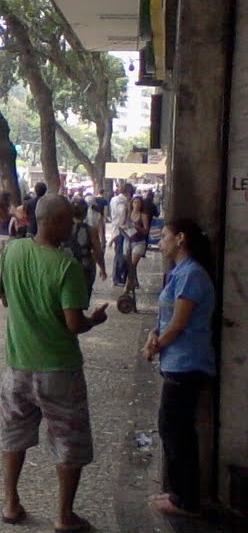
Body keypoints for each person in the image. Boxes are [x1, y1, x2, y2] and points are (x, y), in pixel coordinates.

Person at [0, 194, 109, 531]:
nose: (72, 226)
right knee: (68, 442)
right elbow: (74, 325)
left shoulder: (12, 251)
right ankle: (63, 516)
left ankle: (11, 503)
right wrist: (95, 320)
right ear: (55, 222)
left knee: (14, 436)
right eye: (68, 221)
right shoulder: (66, 267)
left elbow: (4, 298)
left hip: (17, 367)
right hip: (59, 371)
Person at [141, 219, 215, 518]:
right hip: (177, 361)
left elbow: (179, 322)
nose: (161, 242)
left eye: (166, 237)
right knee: (172, 428)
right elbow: (167, 318)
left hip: (187, 363)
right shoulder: (181, 274)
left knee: (176, 431)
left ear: (181, 239)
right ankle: (178, 492)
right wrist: (153, 335)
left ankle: (186, 499)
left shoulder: (192, 275)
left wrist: (153, 346)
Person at [65, 199, 106, 301]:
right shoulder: (91, 230)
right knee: (82, 299)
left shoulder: (62, 228)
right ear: (85, 212)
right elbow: (98, 252)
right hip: (85, 268)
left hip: (65, 267)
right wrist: (102, 268)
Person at [123, 195, 151, 296]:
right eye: (135, 202)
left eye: (139, 203)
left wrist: (137, 227)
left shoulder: (143, 216)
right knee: (129, 265)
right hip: (128, 241)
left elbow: (146, 231)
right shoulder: (128, 214)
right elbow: (122, 225)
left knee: (132, 264)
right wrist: (124, 227)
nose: (136, 204)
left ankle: (127, 286)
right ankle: (133, 281)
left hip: (139, 242)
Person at [107, 183, 133, 287]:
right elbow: (122, 213)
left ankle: (118, 277)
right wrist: (123, 225)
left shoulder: (113, 199)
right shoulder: (123, 201)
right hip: (121, 231)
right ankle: (117, 277)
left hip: (115, 229)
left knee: (119, 253)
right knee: (120, 254)